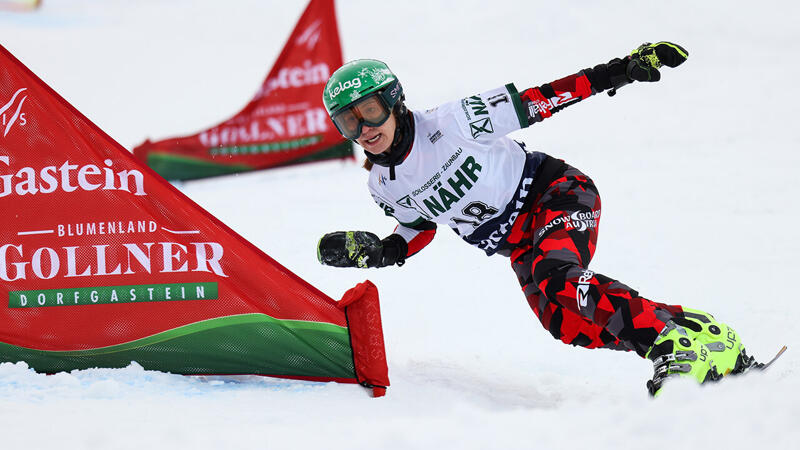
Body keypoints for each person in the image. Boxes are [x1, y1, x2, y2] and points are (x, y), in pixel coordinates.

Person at [316, 42, 754, 396]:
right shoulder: (382, 184)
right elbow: (419, 227)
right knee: (565, 323)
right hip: (518, 243)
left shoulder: (453, 122)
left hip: (556, 193)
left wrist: (620, 70)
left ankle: (668, 345)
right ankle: (699, 333)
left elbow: (538, 101)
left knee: (557, 278)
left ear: (395, 101)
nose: (364, 130)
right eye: (348, 122)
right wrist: (385, 250)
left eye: (370, 111)